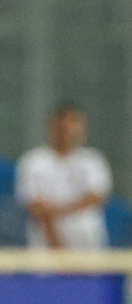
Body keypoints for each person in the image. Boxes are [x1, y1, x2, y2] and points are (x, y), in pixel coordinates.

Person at [15, 103, 112, 250]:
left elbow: (96, 197)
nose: (67, 131)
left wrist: (57, 211)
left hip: (87, 247)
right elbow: (32, 203)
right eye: (61, 127)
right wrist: (55, 239)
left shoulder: (92, 160)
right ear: (51, 128)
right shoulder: (33, 161)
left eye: (72, 125)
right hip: (44, 247)